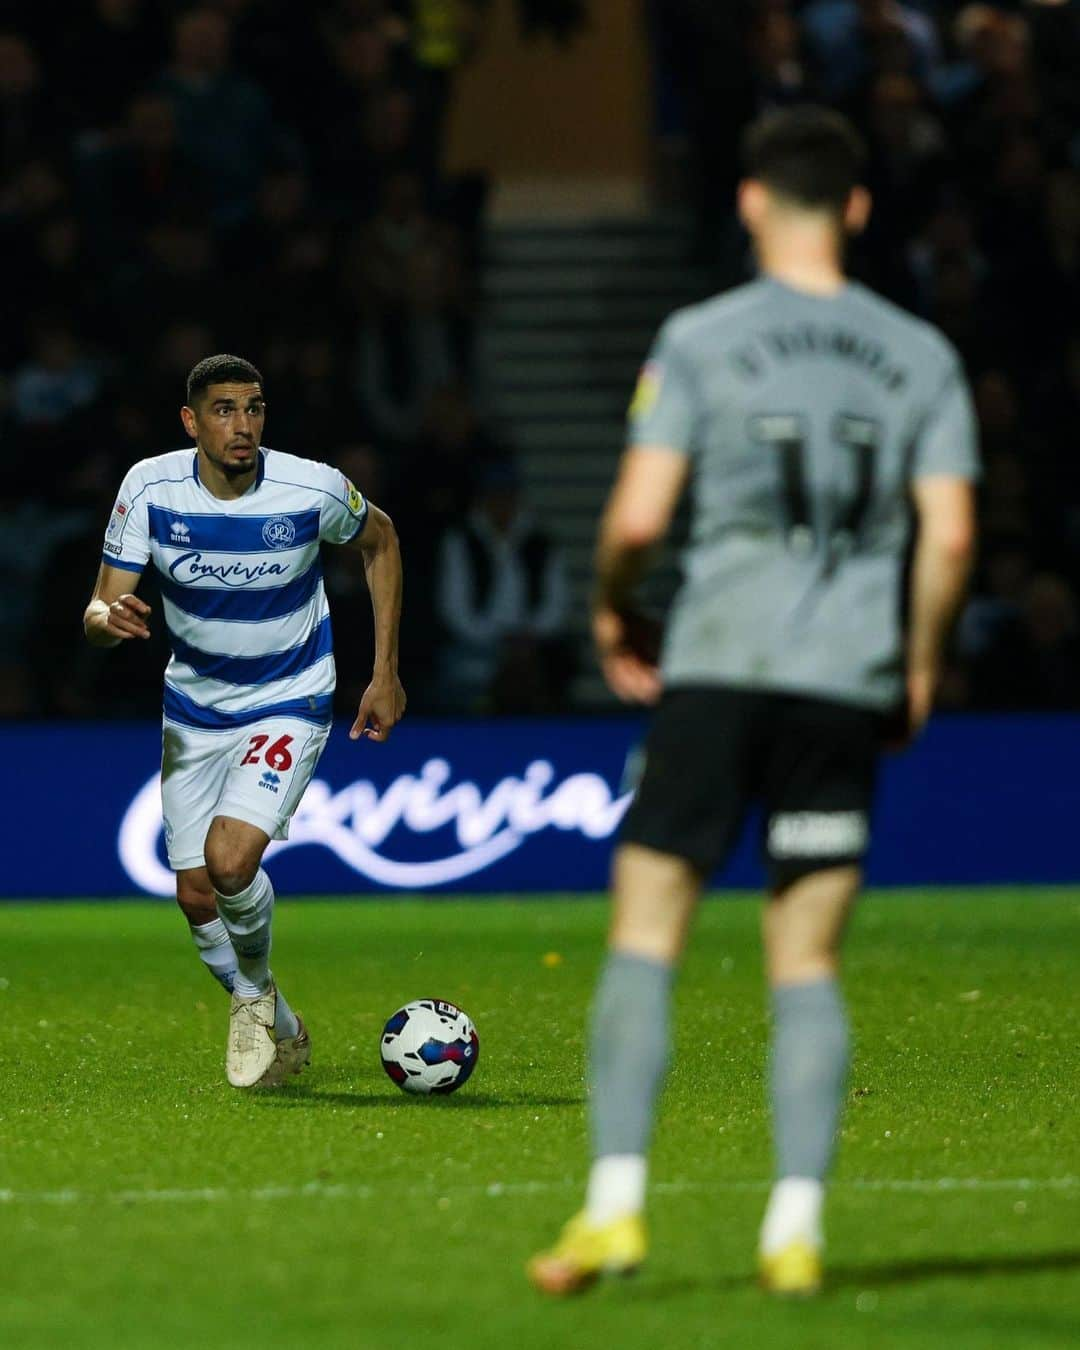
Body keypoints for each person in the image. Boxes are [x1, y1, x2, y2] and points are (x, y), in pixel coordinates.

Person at [528, 106, 978, 1297]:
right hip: (842, 682)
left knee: (644, 937)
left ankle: (615, 1210)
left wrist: (613, 606)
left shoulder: (701, 337)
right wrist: (918, 660)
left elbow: (633, 521)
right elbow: (953, 537)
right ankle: (796, 1229)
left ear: (746, 201)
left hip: (720, 669)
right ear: (860, 209)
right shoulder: (922, 355)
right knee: (807, 962)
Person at [83, 354, 405, 1089]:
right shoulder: (150, 488)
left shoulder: (310, 488)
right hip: (193, 710)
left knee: (231, 864)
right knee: (196, 893)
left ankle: (253, 992)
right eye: (225, 410)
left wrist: (384, 672)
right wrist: (110, 618)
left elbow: (381, 540)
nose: (243, 425)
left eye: (254, 408)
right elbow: (100, 608)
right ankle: (282, 1027)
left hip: (289, 698)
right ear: (191, 422)